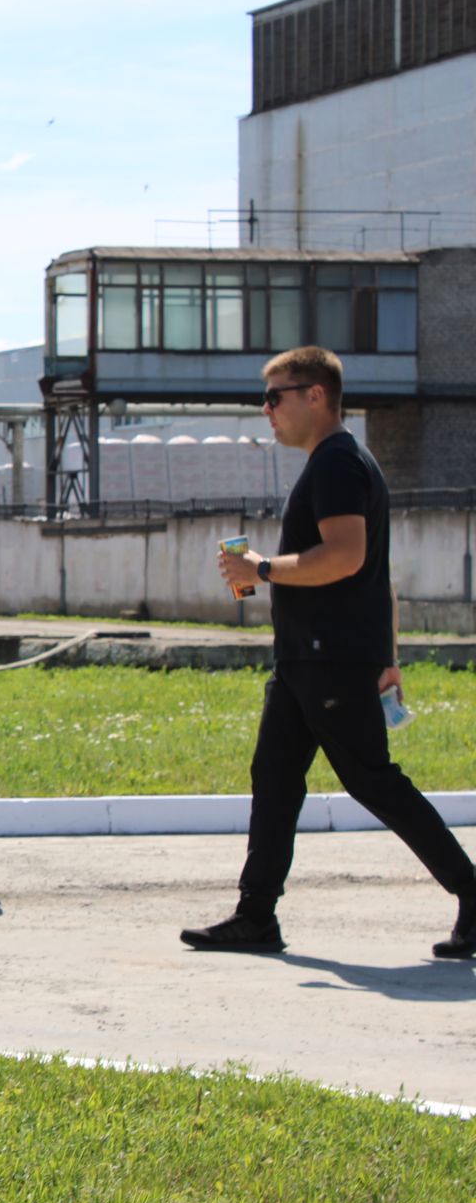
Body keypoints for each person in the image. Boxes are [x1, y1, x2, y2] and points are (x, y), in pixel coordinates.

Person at [183, 347, 476, 959]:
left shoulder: (339, 463)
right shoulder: (337, 462)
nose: (266, 410)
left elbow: (345, 558)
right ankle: (256, 915)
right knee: (276, 778)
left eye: (274, 397)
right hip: (306, 661)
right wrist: (389, 655)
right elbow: (378, 575)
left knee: (374, 782)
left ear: (315, 394)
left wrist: (260, 566)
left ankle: (474, 895)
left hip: (329, 659)